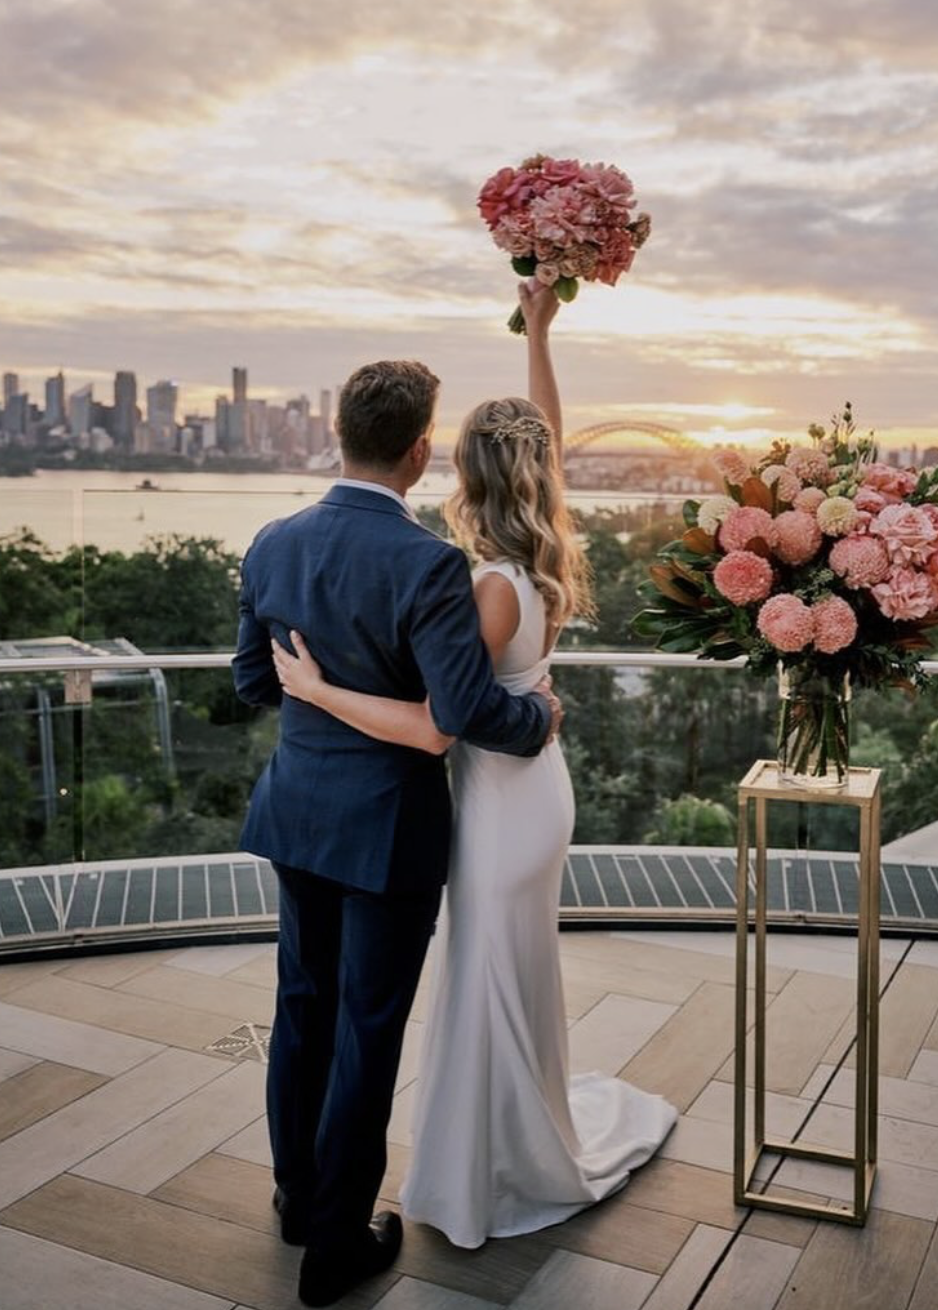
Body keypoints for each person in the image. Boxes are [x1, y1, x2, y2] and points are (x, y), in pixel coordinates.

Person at [272, 281, 678, 1251]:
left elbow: (439, 722)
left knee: (478, 977)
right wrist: (539, 332)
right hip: (531, 791)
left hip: (500, 797)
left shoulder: (481, 582)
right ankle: (492, 1141)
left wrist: (318, 688)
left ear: (452, 468)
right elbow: (549, 436)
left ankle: (484, 1172)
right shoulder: (538, 554)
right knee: (499, 971)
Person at [232, 345, 560, 1308]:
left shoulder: (271, 540)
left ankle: (298, 1199)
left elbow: (255, 681)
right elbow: (465, 715)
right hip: (386, 832)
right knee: (367, 1029)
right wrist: (540, 715)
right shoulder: (428, 565)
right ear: (420, 453)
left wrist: (319, 692)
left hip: (298, 812)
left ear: (340, 433)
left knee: (304, 1007)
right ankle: (335, 1241)